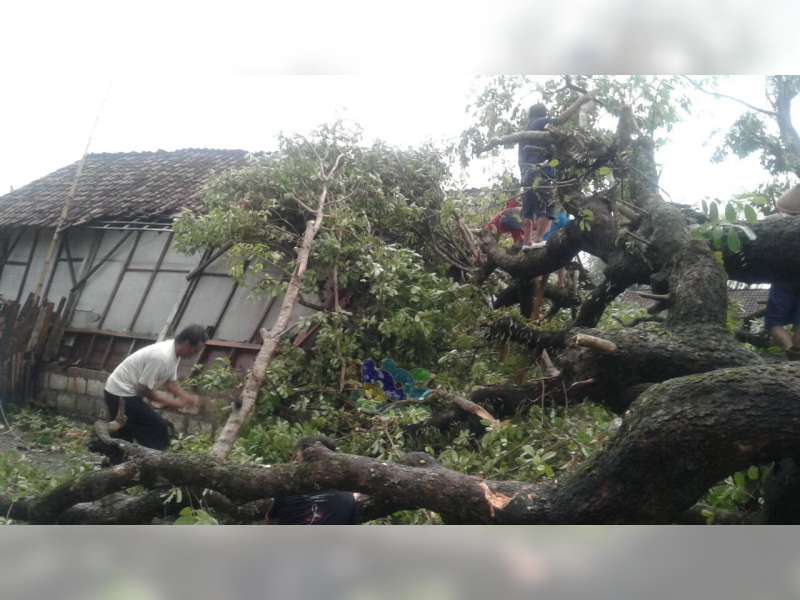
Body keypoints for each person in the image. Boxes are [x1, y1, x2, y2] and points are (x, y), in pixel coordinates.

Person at [103, 324, 207, 450]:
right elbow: (142, 389)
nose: (194, 355)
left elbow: (170, 382)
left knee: (127, 433)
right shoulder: (161, 356)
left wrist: (186, 398)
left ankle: (129, 460)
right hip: (119, 393)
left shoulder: (173, 353)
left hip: (128, 393)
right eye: (194, 351)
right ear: (186, 343)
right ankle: (152, 462)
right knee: (157, 428)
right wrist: (174, 403)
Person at [517, 95, 594, 250]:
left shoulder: (525, 134)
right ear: (542, 115)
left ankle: (526, 242)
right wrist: (580, 101)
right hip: (542, 171)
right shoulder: (539, 122)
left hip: (527, 174)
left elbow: (519, 160)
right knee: (547, 205)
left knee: (529, 207)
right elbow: (560, 120)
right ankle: (538, 238)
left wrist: (525, 174)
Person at [266, 436, 364, 525]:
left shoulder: (288, 489)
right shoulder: (348, 496)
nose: (294, 462)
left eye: (297, 458)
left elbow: (271, 521)